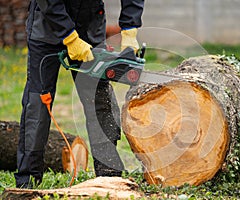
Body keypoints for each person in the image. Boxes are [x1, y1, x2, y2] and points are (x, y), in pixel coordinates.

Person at [14, 0, 145, 188]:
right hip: (48, 25)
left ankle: (109, 175)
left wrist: (130, 28)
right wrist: (70, 38)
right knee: (37, 105)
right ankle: (28, 179)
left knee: (99, 100)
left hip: (90, 23)